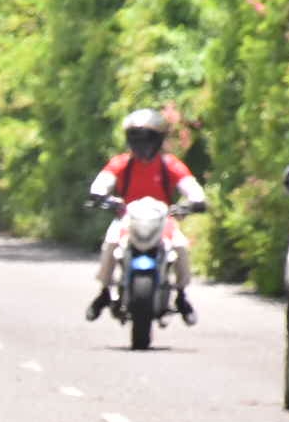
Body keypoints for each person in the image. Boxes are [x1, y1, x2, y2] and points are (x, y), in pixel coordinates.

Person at [86, 109, 207, 325]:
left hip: (164, 220)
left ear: (158, 140)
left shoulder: (170, 165)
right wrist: (102, 196)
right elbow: (101, 182)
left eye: (148, 139)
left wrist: (194, 201)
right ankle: (104, 291)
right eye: (137, 139)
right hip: (127, 218)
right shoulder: (122, 163)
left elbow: (191, 187)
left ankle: (181, 295)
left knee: (180, 247)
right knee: (111, 243)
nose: (142, 146)